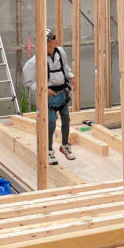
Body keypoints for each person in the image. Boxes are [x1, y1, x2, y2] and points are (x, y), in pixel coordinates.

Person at [22, 28, 76, 165]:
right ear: (45, 42)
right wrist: (44, 89)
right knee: (51, 124)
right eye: (53, 37)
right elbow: (29, 82)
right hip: (49, 97)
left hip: (62, 93)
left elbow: (65, 68)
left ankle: (65, 146)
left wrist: (71, 77)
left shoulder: (60, 52)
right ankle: (49, 150)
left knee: (66, 119)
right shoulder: (34, 62)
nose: (56, 39)